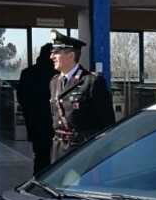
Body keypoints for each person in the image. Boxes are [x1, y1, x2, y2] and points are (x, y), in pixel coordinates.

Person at [48, 32, 115, 163]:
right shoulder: (54, 82)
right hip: (59, 149)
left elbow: (107, 122)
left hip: (83, 151)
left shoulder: (91, 81)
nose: (51, 57)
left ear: (71, 55)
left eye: (56, 52)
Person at [17, 43, 54, 175]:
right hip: (55, 124)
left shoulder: (27, 73)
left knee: (40, 156)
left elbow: (21, 98)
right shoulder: (57, 75)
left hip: (34, 122)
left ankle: (38, 182)